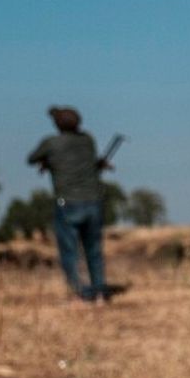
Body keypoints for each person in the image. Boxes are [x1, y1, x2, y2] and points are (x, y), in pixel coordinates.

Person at [28, 106, 111, 302]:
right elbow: (87, 162)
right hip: (93, 201)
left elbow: (32, 158)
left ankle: (81, 292)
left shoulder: (51, 143)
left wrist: (47, 162)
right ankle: (99, 291)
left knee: (70, 251)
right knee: (94, 249)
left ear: (57, 125)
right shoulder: (87, 140)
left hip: (68, 203)